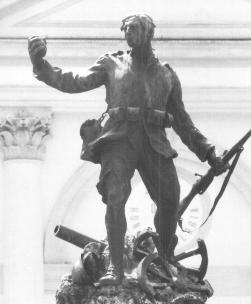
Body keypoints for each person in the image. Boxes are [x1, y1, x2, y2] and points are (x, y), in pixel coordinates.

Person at [28, 14, 226, 285]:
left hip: (153, 141)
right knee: (116, 196)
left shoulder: (167, 75)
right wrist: (41, 65)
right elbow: (75, 81)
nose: (128, 34)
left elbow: (182, 122)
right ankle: (115, 269)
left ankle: (165, 261)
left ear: (148, 33)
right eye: (126, 30)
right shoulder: (112, 63)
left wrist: (209, 153)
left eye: (134, 29)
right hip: (120, 138)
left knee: (170, 196)